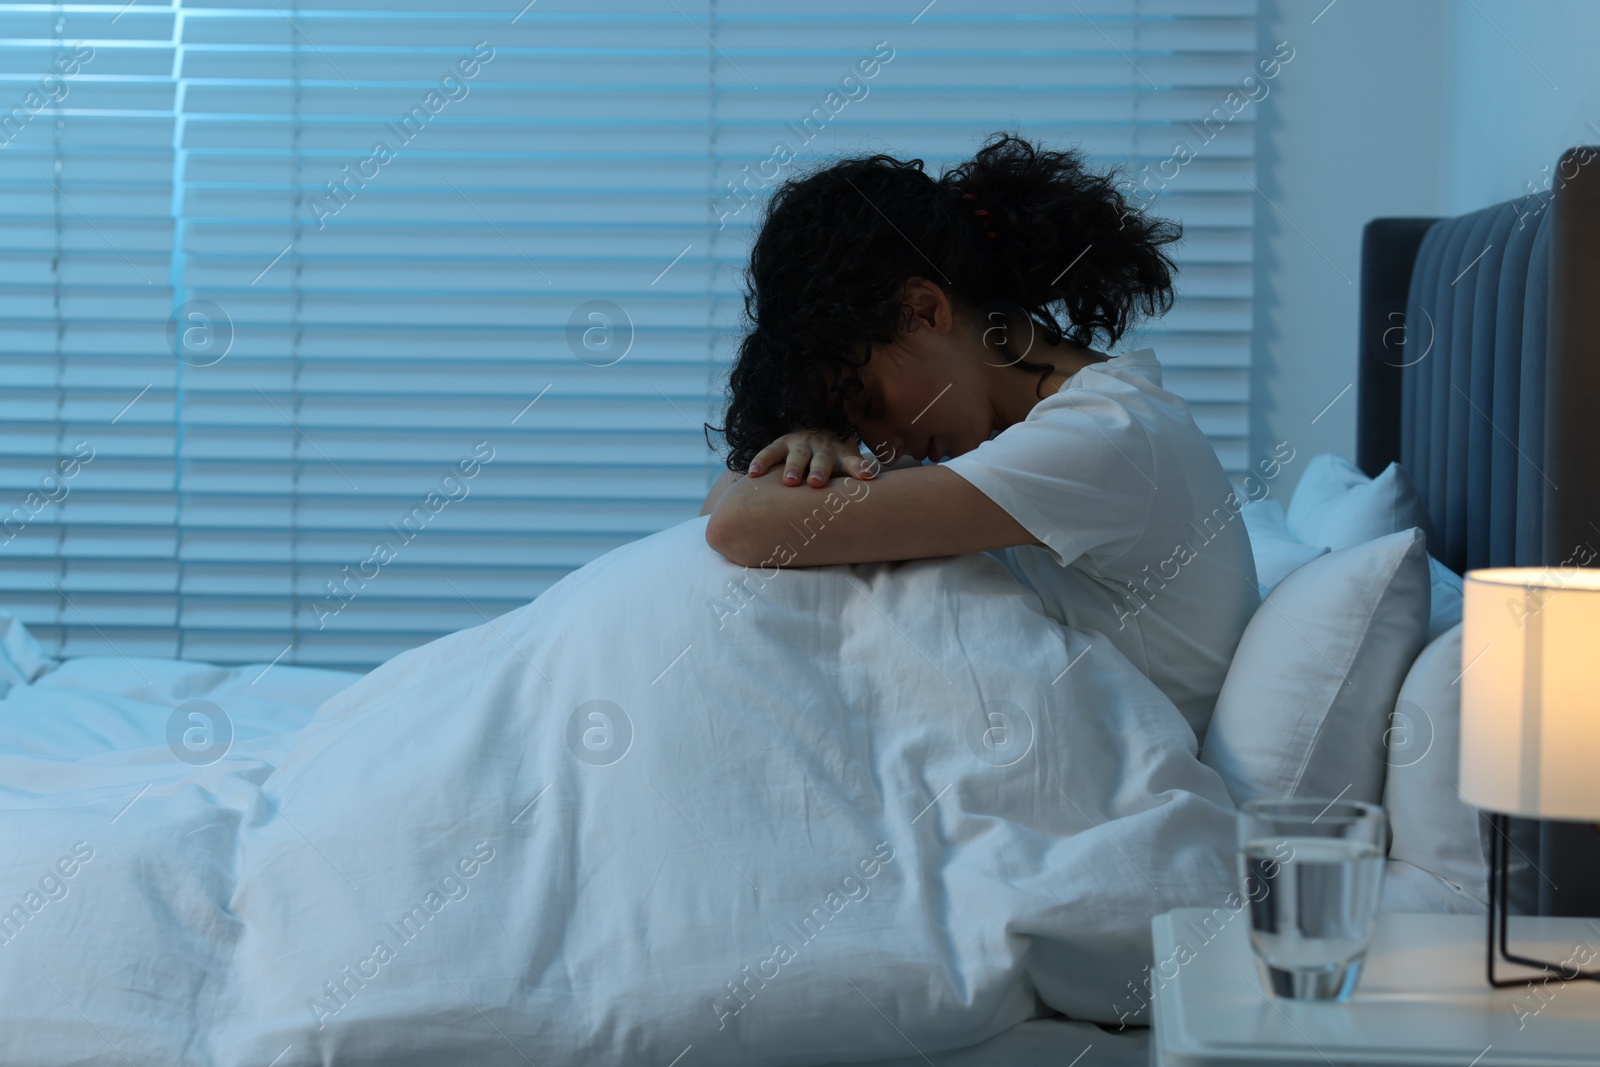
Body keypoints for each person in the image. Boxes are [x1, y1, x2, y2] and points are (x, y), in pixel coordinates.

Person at [701, 132, 1258, 743]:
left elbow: (739, 525)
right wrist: (812, 436)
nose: (884, 447)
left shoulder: (1104, 436)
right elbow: (723, 514)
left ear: (924, 310)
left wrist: (810, 442)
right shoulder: (1038, 433)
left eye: (870, 403)